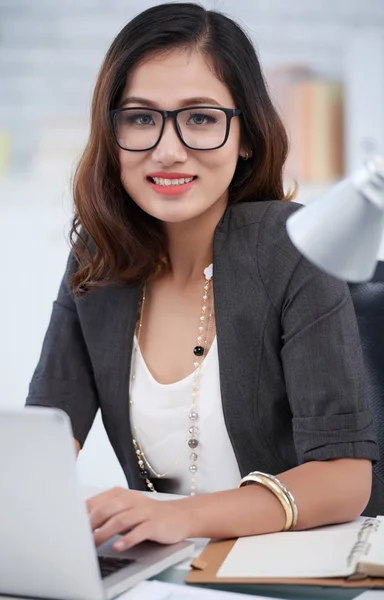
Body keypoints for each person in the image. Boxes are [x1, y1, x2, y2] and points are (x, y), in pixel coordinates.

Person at [26, 2, 378, 553]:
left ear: (246, 138)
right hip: (165, 568)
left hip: (299, 566)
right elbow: (41, 442)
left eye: (201, 118)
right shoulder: (97, 259)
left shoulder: (292, 247)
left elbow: (345, 479)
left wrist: (184, 518)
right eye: (141, 117)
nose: (168, 150)